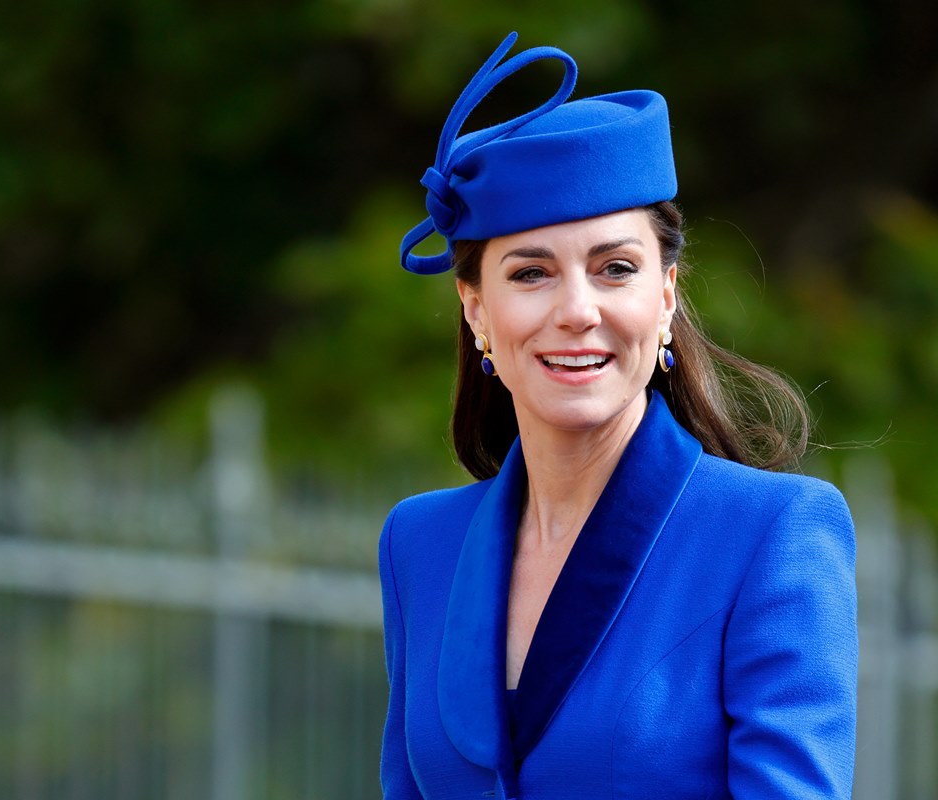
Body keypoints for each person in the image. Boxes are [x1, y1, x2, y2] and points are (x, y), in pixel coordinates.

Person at [379, 32, 857, 799]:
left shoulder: (773, 533)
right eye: (531, 272)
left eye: (616, 269)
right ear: (475, 310)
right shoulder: (418, 544)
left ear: (665, 296)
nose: (576, 311)